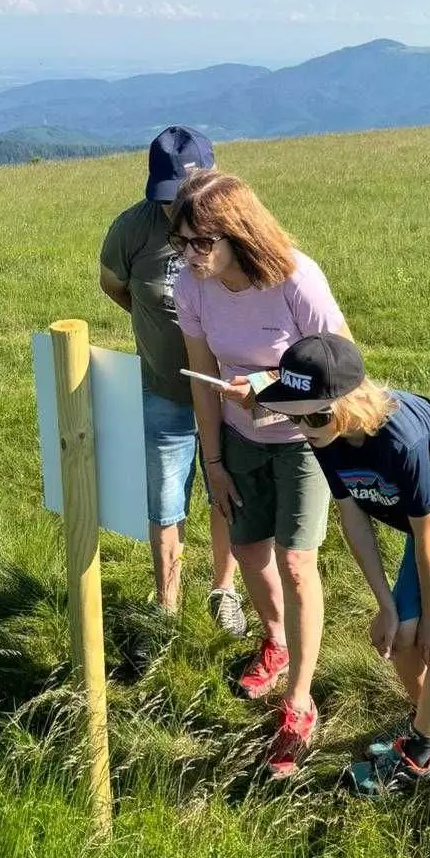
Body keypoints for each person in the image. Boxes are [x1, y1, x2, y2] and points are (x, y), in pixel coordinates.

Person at [254, 333, 430, 798]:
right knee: (402, 635)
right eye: (293, 416)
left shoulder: (403, 442)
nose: (303, 428)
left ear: (350, 401)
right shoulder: (324, 430)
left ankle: (420, 758)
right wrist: (385, 605)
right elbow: (353, 518)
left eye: (314, 416)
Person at [170, 170, 350, 778]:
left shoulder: (295, 277)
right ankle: (276, 641)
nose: (190, 256)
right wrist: (214, 463)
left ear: (238, 233)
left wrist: (271, 387)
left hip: (303, 439)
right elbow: (201, 381)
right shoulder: (192, 286)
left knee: (296, 561)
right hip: (238, 438)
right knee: (249, 551)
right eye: (180, 242)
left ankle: (299, 701)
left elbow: (342, 364)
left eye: (202, 242)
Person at [99, 127, 245, 636]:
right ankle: (167, 606)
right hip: (164, 390)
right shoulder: (131, 229)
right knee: (164, 502)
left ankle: (224, 591)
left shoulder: (237, 228)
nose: (176, 209)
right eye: (167, 199)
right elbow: (113, 285)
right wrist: (154, 324)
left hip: (229, 394)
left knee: (227, 492)